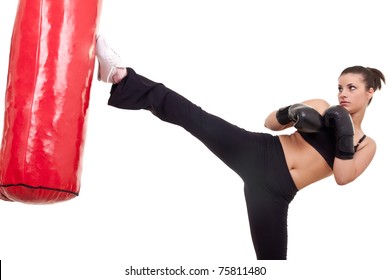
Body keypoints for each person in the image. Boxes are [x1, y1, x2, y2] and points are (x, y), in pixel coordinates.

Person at [95, 35, 385, 260]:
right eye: (340, 87)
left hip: (275, 194)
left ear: (370, 92)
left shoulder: (366, 144)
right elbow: (270, 123)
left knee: (272, 262)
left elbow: (343, 177)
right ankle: (120, 75)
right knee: (194, 117)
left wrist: (345, 130)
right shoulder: (322, 107)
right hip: (258, 153)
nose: (342, 94)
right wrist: (291, 112)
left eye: (351, 88)